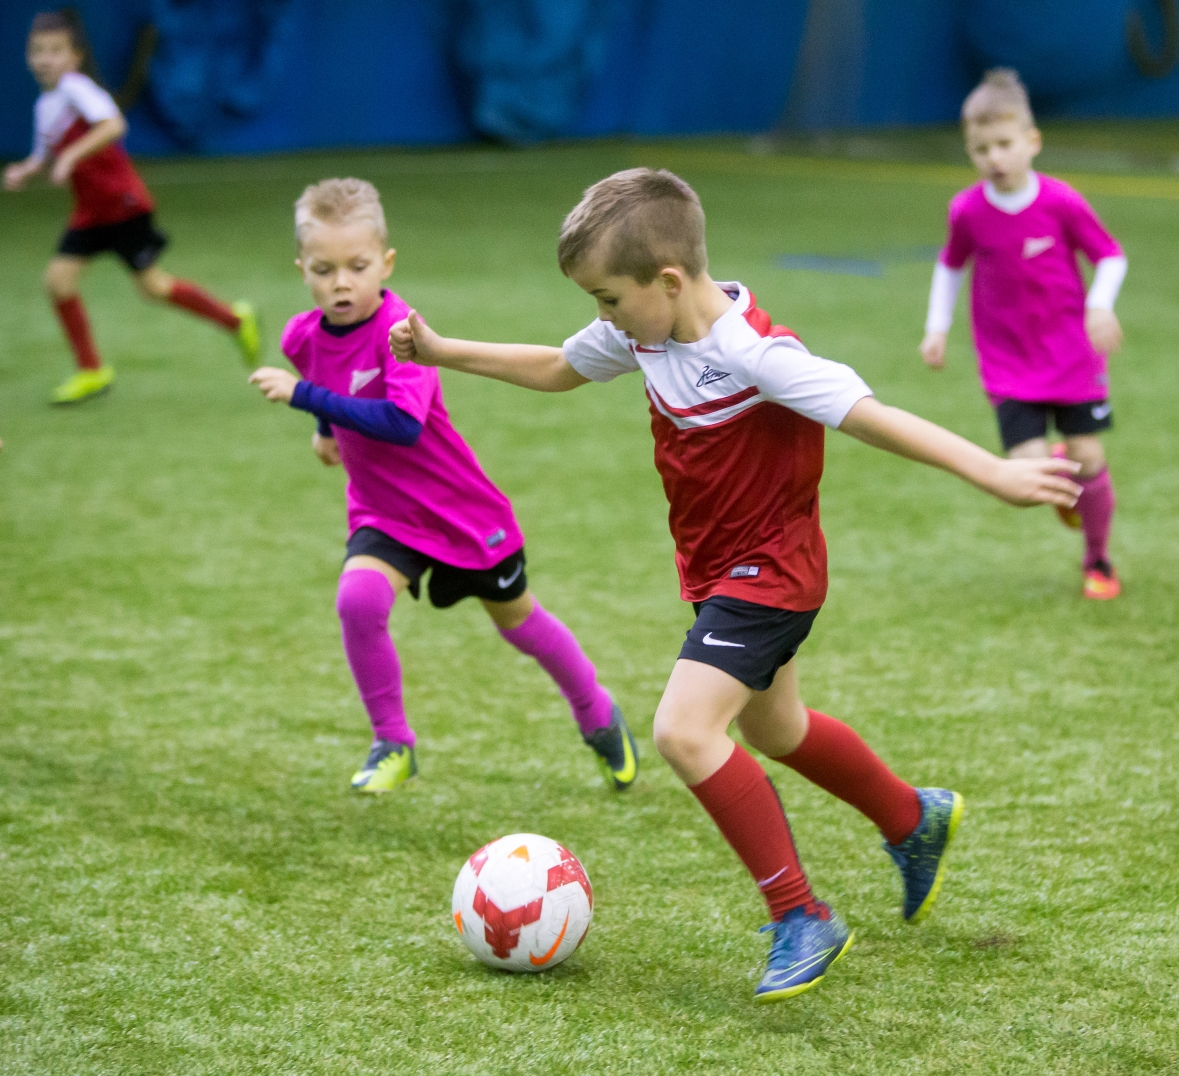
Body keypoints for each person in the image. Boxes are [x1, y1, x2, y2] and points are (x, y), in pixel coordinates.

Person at [389, 168, 1081, 1002]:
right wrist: (439, 351)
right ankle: (911, 817)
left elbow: (875, 416)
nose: (601, 317)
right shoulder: (645, 332)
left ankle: (801, 915)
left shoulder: (757, 355)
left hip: (772, 571)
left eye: (608, 298)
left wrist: (996, 472)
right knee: (778, 728)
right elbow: (557, 366)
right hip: (719, 572)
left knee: (684, 731)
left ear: (669, 280)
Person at [247, 178, 638, 793]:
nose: (341, 282)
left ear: (387, 263)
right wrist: (324, 426)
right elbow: (320, 368)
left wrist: (307, 401)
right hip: (382, 513)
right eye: (324, 270)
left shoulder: (403, 333)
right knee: (358, 602)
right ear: (302, 269)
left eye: (357, 266)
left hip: (460, 512)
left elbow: (401, 424)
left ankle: (596, 711)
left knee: (519, 622)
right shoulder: (301, 335)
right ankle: (393, 741)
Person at [920, 68, 1129, 600]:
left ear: (1032, 142)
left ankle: (1098, 559)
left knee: (1089, 457)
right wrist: (936, 327)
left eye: (1005, 144)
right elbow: (950, 266)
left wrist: (1099, 307)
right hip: (1008, 361)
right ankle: (1067, 487)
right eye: (981, 148)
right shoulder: (967, 210)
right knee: (1029, 470)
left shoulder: (1061, 202)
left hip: (1072, 355)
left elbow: (1110, 256)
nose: (994, 157)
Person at [2, 9, 258, 405]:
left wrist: (69, 158)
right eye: (38, 50)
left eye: (55, 50)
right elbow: (44, 153)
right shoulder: (46, 105)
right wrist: (26, 170)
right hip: (90, 213)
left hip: (123, 207)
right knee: (58, 282)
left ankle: (235, 320)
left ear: (74, 57)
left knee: (154, 287)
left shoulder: (77, 88)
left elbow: (113, 125)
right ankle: (92, 370)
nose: (45, 58)